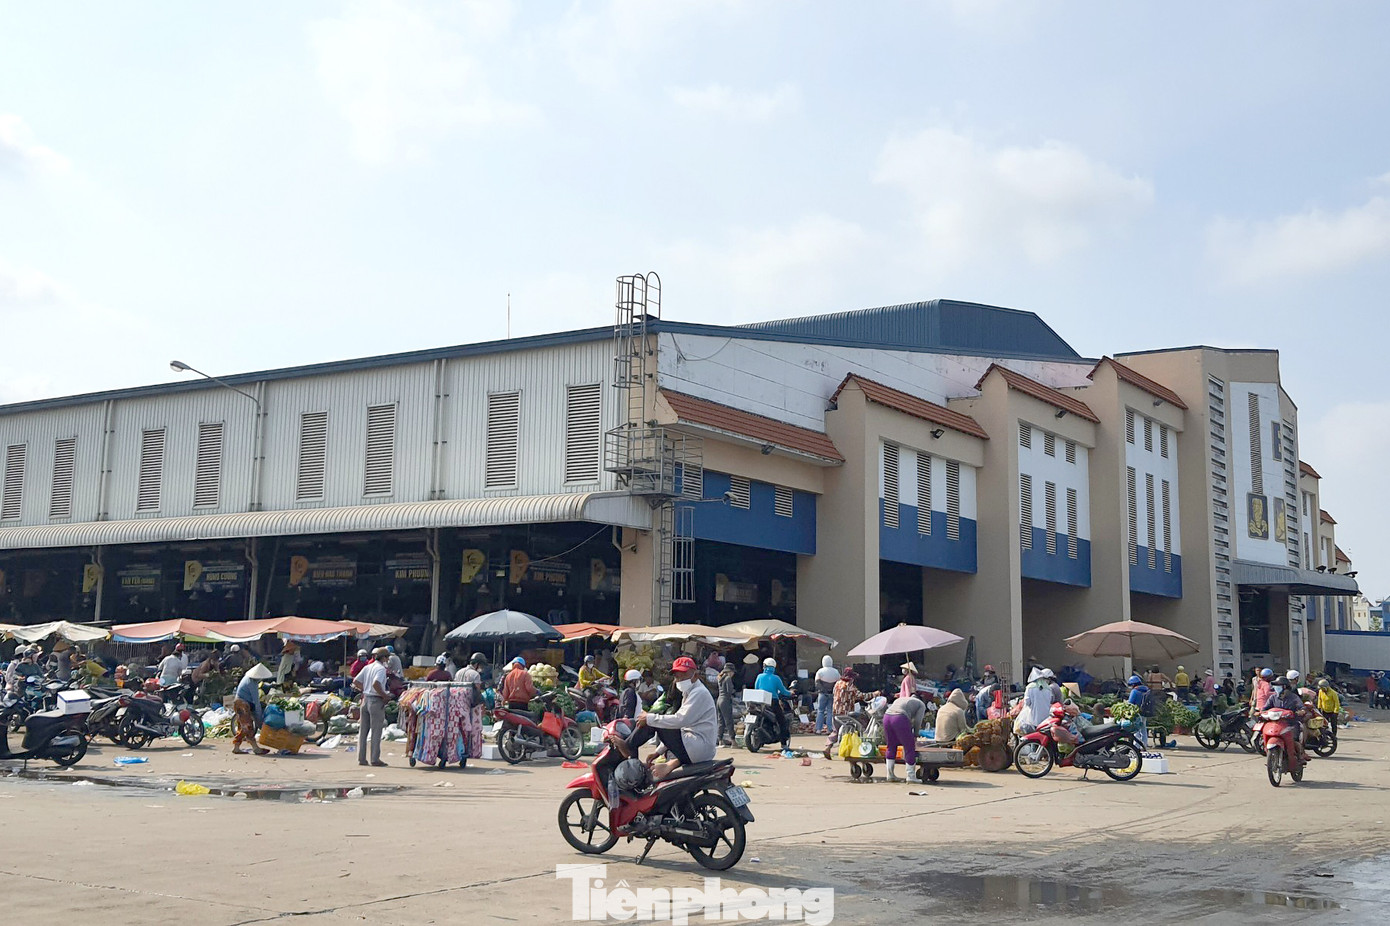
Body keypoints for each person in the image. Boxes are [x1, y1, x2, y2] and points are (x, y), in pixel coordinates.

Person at [631, 656, 718, 781]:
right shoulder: (689, 692)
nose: (679, 679)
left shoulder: (699, 692)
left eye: (683, 675)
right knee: (657, 721)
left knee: (656, 721)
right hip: (695, 745)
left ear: (695, 675)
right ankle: (667, 763)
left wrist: (649, 718)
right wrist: (658, 752)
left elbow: (680, 720)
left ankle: (629, 747)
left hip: (698, 746)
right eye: (677, 677)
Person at [353, 647, 391, 767]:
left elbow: (356, 681)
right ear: (384, 658)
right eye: (387, 657)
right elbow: (376, 683)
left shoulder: (367, 667)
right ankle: (375, 759)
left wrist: (365, 689)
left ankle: (361, 758)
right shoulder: (381, 669)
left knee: (363, 732)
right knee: (376, 731)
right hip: (375, 701)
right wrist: (384, 695)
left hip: (365, 699)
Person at [883, 692, 927, 783]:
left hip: (887, 717)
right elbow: (917, 721)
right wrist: (915, 734)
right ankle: (911, 776)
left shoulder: (901, 699)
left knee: (891, 746)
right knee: (909, 747)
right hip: (899, 718)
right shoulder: (921, 704)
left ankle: (890, 775)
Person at [754, 656, 795, 750]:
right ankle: (784, 744)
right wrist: (790, 693)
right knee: (782, 721)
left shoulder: (759, 676)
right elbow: (783, 691)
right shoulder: (776, 678)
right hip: (773, 702)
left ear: (764, 666)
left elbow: (756, 688)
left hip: (760, 701)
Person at [453, 652, 487, 762]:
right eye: (481, 665)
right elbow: (477, 691)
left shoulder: (459, 672)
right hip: (470, 706)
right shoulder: (475, 675)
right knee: (470, 729)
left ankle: (457, 750)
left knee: (458, 729)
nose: (481, 668)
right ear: (477, 664)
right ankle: (468, 750)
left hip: (457, 704)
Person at [232, 663, 272, 755]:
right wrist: (259, 718)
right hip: (242, 704)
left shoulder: (248, 679)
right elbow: (256, 702)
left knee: (242, 727)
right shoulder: (251, 683)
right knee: (247, 727)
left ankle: (237, 747)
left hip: (242, 703)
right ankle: (255, 748)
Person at [813, 655, 841, 735]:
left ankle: (818, 729)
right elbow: (838, 683)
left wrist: (823, 690)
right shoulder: (836, 672)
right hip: (832, 694)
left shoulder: (820, 671)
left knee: (820, 711)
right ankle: (829, 729)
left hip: (822, 694)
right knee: (830, 711)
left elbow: (817, 683)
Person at [716, 663, 737, 746]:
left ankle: (720, 740)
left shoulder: (720, 678)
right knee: (729, 721)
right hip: (725, 701)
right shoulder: (728, 678)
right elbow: (730, 691)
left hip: (719, 700)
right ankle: (733, 741)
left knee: (721, 721)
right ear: (730, 671)